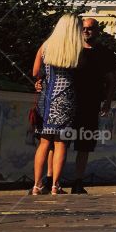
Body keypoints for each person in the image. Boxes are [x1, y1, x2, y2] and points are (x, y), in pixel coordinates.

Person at [31, 15, 83, 196]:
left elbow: (35, 72)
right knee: (61, 143)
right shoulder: (77, 49)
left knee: (44, 142)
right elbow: (82, 76)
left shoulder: (46, 46)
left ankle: (37, 185)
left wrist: (41, 80)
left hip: (47, 98)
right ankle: (55, 185)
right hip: (66, 100)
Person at [70, 17, 116, 194]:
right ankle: (52, 180)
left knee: (84, 144)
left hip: (91, 103)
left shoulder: (105, 54)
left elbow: (112, 80)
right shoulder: (71, 49)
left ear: (97, 31)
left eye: (89, 28)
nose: (86, 31)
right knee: (59, 141)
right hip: (68, 102)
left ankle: (77, 181)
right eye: (83, 28)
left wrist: (107, 102)